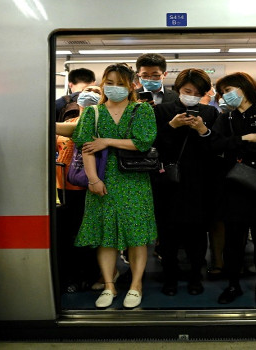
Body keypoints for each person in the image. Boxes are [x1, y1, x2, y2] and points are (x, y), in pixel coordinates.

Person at [72, 63, 157, 309]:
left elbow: (143, 142)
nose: (114, 88)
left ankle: (136, 285)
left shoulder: (141, 110)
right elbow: (86, 147)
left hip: (134, 181)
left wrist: (107, 141)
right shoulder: (92, 113)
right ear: (102, 84)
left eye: (120, 83)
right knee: (105, 237)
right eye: (109, 82)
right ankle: (109, 285)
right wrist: (93, 180)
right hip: (102, 180)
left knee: (136, 236)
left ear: (131, 85)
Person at [209, 72, 256, 306]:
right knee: (233, 240)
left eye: (230, 89)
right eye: (223, 92)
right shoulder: (225, 118)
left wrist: (237, 146)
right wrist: (248, 138)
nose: (226, 95)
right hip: (234, 187)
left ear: (244, 88)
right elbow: (216, 145)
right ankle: (233, 284)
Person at [153, 68, 220, 296]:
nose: (191, 95)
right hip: (168, 182)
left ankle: (195, 277)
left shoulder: (210, 113)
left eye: (197, 92)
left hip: (200, 183)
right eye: (187, 90)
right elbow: (154, 147)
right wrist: (172, 126)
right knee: (168, 233)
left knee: (197, 234)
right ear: (178, 89)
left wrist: (202, 130)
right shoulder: (161, 111)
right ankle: (169, 277)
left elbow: (215, 149)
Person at [55, 85, 103, 293]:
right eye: (87, 89)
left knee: (91, 235)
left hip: (91, 187)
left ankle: (91, 275)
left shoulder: (101, 124)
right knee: (68, 236)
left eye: (96, 90)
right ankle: (70, 277)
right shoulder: (67, 123)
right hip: (65, 189)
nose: (91, 92)